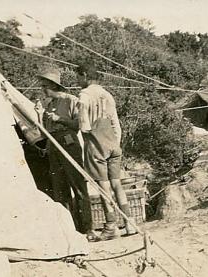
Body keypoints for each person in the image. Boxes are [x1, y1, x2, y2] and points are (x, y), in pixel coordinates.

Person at [75, 62, 137, 241]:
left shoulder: (84, 95)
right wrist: (114, 143)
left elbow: (84, 126)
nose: (78, 80)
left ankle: (111, 226)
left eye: (79, 77)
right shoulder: (107, 94)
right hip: (112, 143)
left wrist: (90, 136)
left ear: (85, 75)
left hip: (97, 144)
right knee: (117, 183)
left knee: (103, 186)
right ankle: (129, 222)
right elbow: (116, 123)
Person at [35, 67, 97, 241]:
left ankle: (87, 228)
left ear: (54, 86)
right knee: (59, 189)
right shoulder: (48, 105)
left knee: (78, 186)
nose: (43, 90)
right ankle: (69, 230)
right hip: (53, 144)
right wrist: (40, 115)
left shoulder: (71, 100)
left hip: (68, 142)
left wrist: (59, 119)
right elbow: (44, 131)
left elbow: (78, 124)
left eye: (45, 86)